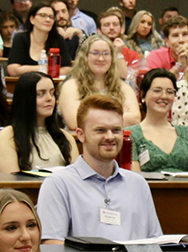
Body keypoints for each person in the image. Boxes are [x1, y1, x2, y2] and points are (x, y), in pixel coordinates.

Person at [37, 94, 163, 243]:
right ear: (81, 135)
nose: (110, 137)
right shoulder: (58, 184)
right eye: (100, 130)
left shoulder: (138, 184)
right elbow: (53, 245)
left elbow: (156, 242)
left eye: (116, 130)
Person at [130, 69, 188, 174]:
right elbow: (134, 178)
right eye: (157, 90)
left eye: (169, 92)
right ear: (143, 95)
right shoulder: (131, 135)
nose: (164, 96)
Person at [0, 72, 77, 173]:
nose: (49, 98)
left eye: (52, 93)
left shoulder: (66, 137)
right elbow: (10, 180)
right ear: (26, 99)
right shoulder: (8, 135)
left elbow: (76, 178)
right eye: (41, 94)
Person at [58, 34, 140, 128]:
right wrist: (118, 114)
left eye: (106, 53)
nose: (101, 59)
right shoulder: (71, 86)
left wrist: (91, 117)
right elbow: (75, 122)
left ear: (112, 57)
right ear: (85, 56)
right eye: (95, 53)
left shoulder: (122, 87)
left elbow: (135, 120)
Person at [6, 3, 72, 77]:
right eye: (43, 15)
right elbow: (13, 70)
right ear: (32, 19)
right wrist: (45, 68)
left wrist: (27, 69)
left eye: (51, 17)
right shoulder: (21, 38)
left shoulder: (58, 39)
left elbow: (67, 69)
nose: (47, 20)